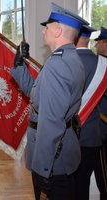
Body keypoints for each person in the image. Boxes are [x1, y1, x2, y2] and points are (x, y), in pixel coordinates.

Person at [10, 3, 88, 199]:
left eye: (47, 27)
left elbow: (51, 121)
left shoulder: (58, 65)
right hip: (61, 154)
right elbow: (38, 95)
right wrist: (19, 65)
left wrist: (43, 168)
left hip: (53, 159)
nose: (44, 30)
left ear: (58, 30)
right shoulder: (67, 59)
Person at [74, 25, 106, 200]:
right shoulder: (101, 65)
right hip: (93, 136)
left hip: (72, 135)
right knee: (84, 183)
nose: (96, 46)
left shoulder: (65, 61)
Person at [94, 26, 107, 200]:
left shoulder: (102, 65)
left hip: (103, 126)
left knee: (103, 172)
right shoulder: (100, 63)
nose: (96, 45)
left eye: (99, 42)